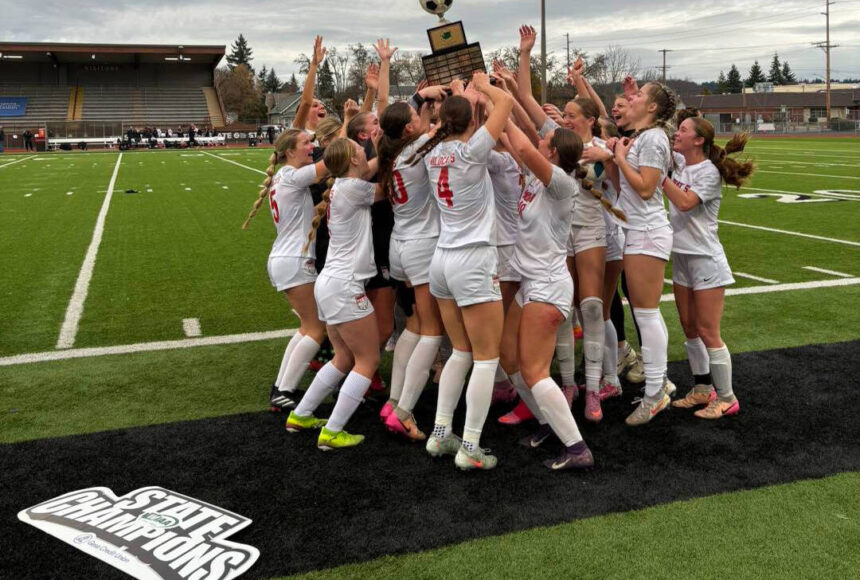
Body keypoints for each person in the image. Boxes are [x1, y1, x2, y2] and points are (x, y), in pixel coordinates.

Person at [410, 72, 513, 470]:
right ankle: (470, 446)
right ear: (471, 121)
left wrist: (459, 97)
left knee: (460, 352)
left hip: (442, 260)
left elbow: (431, 126)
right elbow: (504, 106)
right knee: (486, 358)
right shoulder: (471, 152)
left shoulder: (431, 150)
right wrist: (483, 85)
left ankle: (440, 433)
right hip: (472, 258)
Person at [501, 113, 595, 470]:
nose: (539, 138)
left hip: (548, 285)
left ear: (552, 152)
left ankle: (576, 448)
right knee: (507, 357)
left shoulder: (561, 183)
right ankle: (547, 423)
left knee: (535, 370)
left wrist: (502, 102)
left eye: (546, 139)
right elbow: (516, 144)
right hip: (531, 282)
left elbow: (524, 146)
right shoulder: (540, 180)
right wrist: (493, 109)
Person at [287, 138, 385, 449]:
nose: (364, 150)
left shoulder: (344, 183)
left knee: (343, 357)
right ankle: (333, 430)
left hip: (330, 283)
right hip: (344, 285)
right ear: (354, 160)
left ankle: (301, 414)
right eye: (360, 149)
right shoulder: (355, 188)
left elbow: (368, 169)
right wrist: (394, 152)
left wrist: (382, 152)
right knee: (367, 360)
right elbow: (385, 190)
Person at [665, 118, 754, 419]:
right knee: (689, 327)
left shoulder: (709, 172)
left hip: (705, 258)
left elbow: (686, 202)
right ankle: (703, 388)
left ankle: (728, 398)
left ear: (699, 140)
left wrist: (659, 178)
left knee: (707, 331)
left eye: (684, 130)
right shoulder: (679, 161)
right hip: (682, 256)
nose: (677, 133)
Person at [376, 85, 449, 441]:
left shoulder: (393, 153)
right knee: (432, 331)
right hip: (421, 245)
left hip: (400, 245)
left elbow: (414, 120)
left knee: (415, 327)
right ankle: (404, 412)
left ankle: (393, 401)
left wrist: (421, 97)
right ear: (408, 128)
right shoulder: (418, 148)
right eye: (413, 117)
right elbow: (451, 128)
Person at [241, 129, 328, 413]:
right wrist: (348, 132)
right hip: (294, 260)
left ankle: (282, 387)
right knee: (316, 329)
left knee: (306, 327)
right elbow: (331, 162)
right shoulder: (291, 175)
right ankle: (284, 389)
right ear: (290, 151)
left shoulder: (281, 177)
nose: (311, 147)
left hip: (286, 258)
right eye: (305, 144)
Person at [611, 81, 678, 426]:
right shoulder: (645, 135)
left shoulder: (653, 139)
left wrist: (619, 158)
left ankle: (655, 392)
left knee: (647, 314)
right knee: (646, 312)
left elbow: (647, 187)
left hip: (647, 232)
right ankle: (657, 386)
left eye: (639, 95)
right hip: (638, 231)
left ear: (651, 108)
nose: (632, 98)